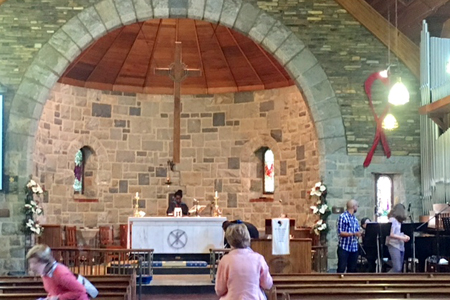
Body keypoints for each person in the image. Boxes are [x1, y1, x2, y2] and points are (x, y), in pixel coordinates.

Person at [215, 223, 273, 299]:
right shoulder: (258, 258)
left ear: (229, 240)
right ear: (247, 237)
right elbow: (267, 284)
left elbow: (219, 290)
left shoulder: (225, 260)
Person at [337, 199, 361, 273]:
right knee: (341, 268)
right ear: (353, 207)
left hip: (354, 248)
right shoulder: (343, 217)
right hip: (344, 247)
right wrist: (353, 234)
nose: (357, 208)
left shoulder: (355, 219)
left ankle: (350, 284)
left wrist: (360, 233)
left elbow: (357, 231)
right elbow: (341, 232)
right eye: (357, 206)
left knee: (352, 269)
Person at [386, 203, 410, 273]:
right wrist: (402, 238)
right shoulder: (392, 220)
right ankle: (384, 279)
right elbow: (391, 234)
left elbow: (397, 233)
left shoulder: (398, 221)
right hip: (393, 244)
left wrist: (405, 236)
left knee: (399, 268)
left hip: (400, 245)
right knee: (397, 267)